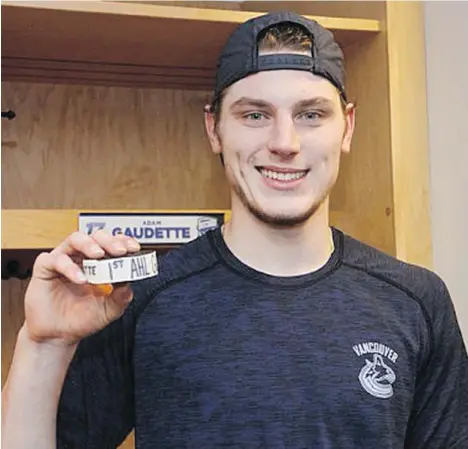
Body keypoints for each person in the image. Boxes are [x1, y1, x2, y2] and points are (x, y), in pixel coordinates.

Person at [2, 11, 467, 449]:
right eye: (254, 115)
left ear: (345, 128)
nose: (284, 143)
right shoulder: (139, 298)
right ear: (214, 129)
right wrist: (43, 344)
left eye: (310, 114)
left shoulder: (416, 301)